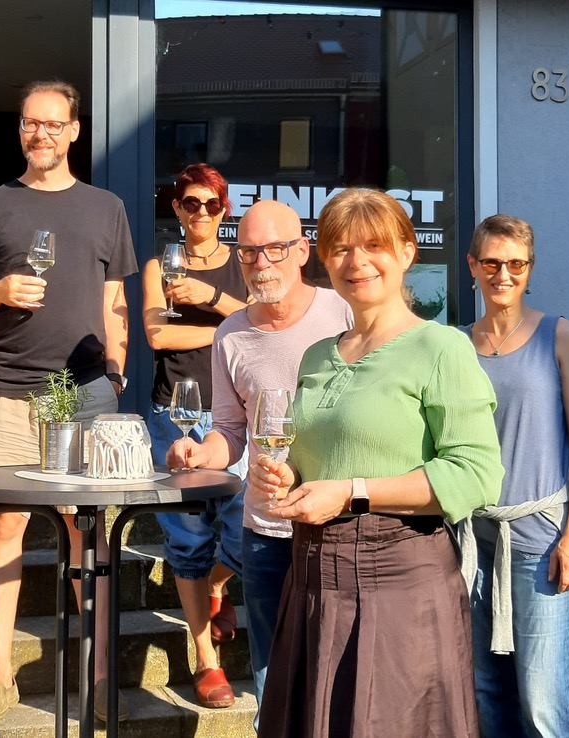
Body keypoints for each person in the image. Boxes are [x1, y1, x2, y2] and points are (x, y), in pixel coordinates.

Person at [250, 187, 504, 737]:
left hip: (400, 586)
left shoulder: (440, 348)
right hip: (313, 579)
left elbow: (476, 474)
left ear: (408, 253)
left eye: (374, 246)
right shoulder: (318, 354)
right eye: (341, 248)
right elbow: (317, 461)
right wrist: (286, 475)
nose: (356, 262)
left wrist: (350, 492)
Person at [0, 79, 137, 724]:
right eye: (29, 123)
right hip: (8, 385)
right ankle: (1, 674)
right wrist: (0, 291)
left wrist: (115, 369)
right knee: (5, 525)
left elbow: (115, 298)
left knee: (82, 529)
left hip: (82, 389)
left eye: (52, 123)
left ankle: (92, 674)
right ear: (21, 131)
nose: (40, 134)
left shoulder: (105, 208)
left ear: (74, 130)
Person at [166, 198, 352, 717]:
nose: (261, 263)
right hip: (266, 531)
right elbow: (229, 431)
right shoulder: (231, 335)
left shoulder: (343, 314)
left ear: (302, 251)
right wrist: (199, 450)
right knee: (272, 680)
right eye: (249, 253)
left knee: (338, 678)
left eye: (275, 249)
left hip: (335, 523)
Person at [462, 214, 569, 738]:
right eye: (492, 263)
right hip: (473, 543)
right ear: (473, 266)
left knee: (542, 703)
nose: (503, 274)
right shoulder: (454, 346)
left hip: (541, 541)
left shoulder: (558, 336)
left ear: (530, 269)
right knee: (486, 692)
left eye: (515, 264)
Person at [141, 163, 250, 709]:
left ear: (224, 210)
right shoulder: (158, 266)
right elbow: (159, 336)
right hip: (176, 412)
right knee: (186, 538)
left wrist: (210, 298)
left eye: (211, 204)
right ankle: (208, 662)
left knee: (249, 525)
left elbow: (262, 317)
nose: (200, 212)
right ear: (177, 209)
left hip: (237, 414)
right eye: (190, 203)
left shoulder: (241, 265)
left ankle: (215, 586)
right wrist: (230, 327)